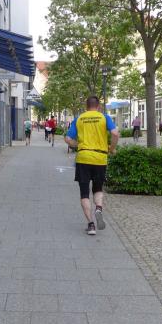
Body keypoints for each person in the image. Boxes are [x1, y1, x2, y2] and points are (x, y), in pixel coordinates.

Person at [65, 96, 120, 235]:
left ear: (86, 106)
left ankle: (91, 225)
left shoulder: (79, 119)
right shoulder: (104, 117)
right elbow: (115, 133)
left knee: (84, 193)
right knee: (98, 188)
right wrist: (112, 148)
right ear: (98, 106)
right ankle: (99, 209)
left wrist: (78, 145)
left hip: (83, 158)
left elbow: (68, 139)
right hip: (100, 158)